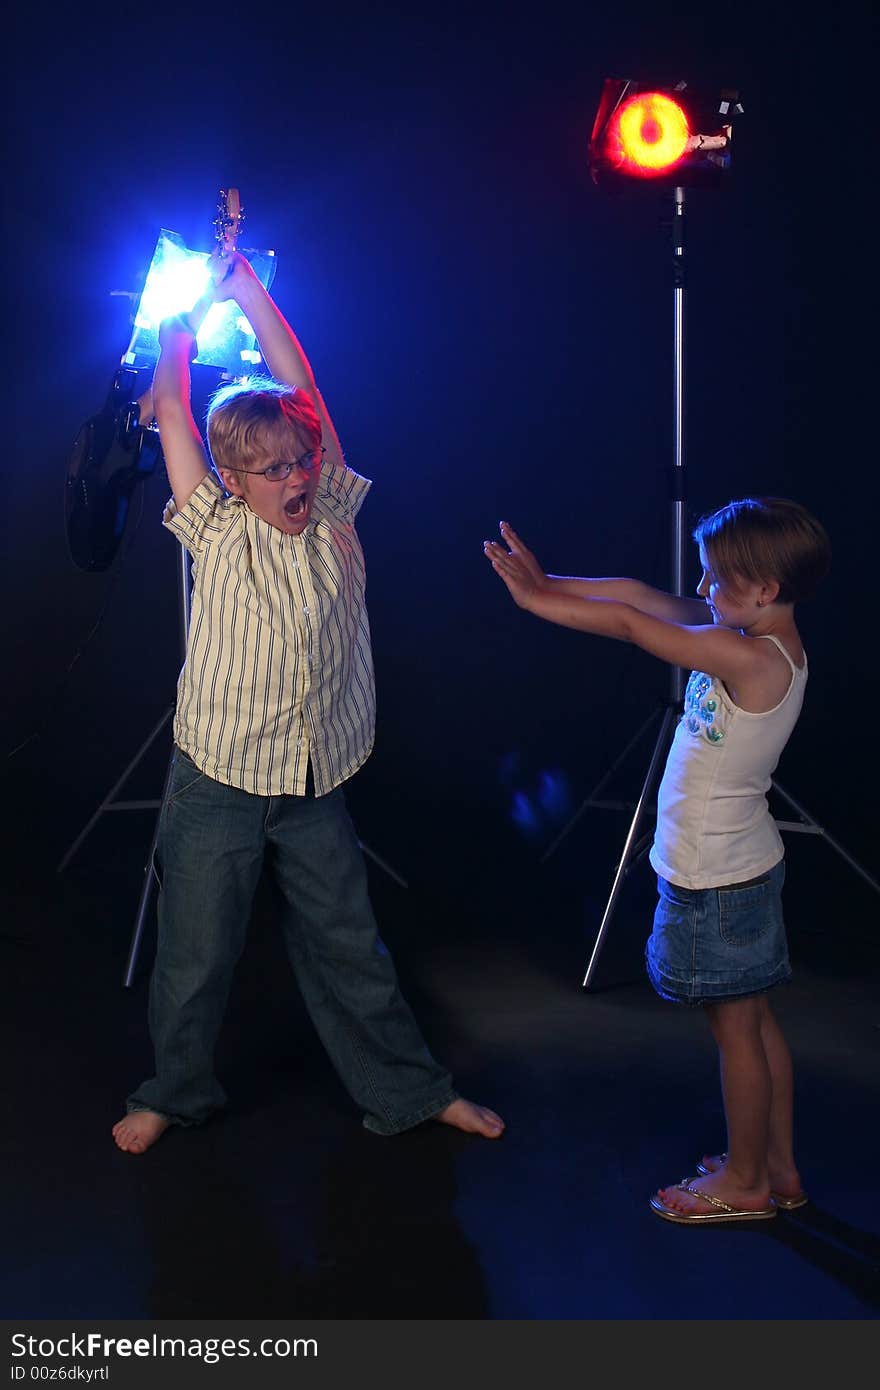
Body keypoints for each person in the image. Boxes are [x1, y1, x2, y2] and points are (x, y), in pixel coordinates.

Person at [112, 250, 504, 1154]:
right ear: (233, 481)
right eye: (271, 470)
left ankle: (410, 1090)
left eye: (300, 461)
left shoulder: (330, 510)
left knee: (349, 947)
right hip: (219, 775)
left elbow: (303, 387)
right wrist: (175, 328)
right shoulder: (213, 526)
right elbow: (175, 410)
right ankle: (172, 1093)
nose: (291, 479)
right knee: (197, 952)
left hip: (316, 773)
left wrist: (244, 285)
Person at [484, 501, 830, 1223]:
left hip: (720, 880)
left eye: (715, 580)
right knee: (758, 1024)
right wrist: (552, 578)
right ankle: (779, 1167)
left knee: (737, 1032)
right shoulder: (750, 629)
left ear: (764, 589)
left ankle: (744, 1183)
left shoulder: (752, 657)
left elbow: (634, 627)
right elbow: (640, 596)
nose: (702, 591)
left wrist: (534, 601)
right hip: (741, 866)